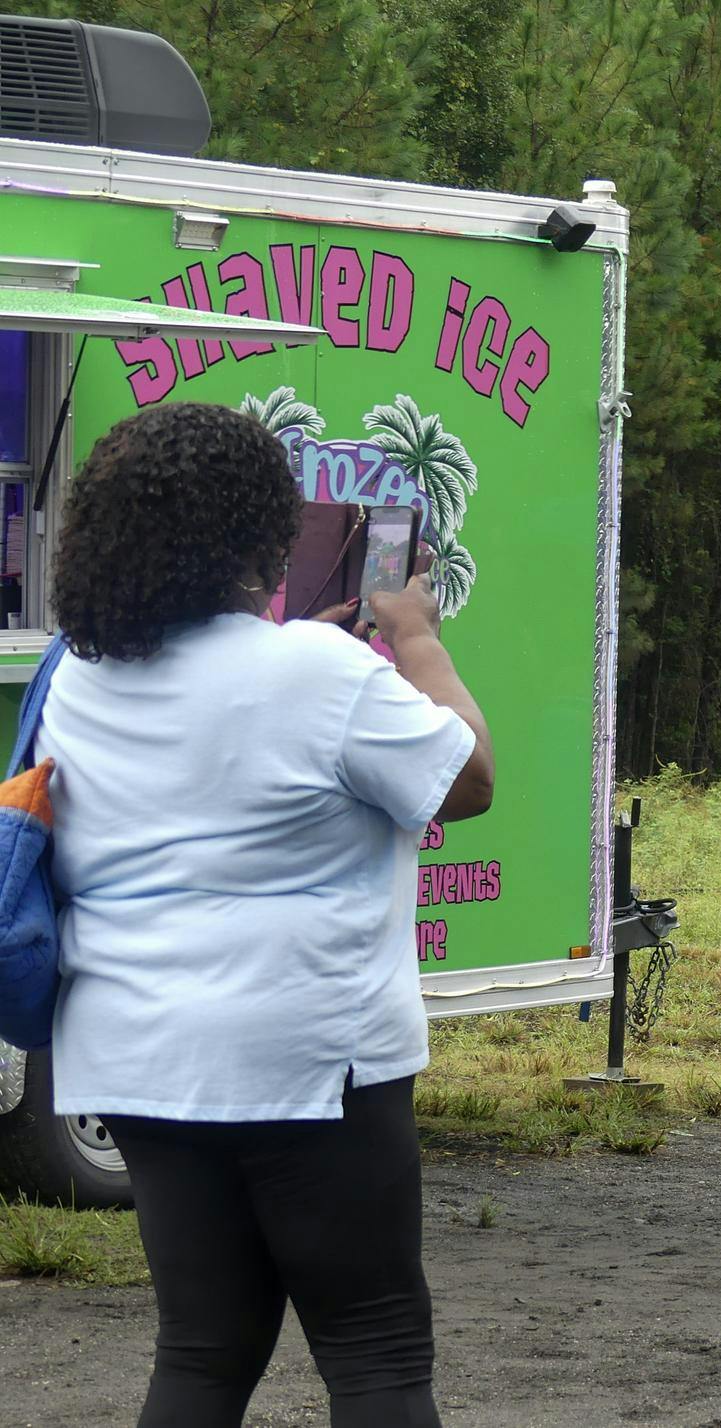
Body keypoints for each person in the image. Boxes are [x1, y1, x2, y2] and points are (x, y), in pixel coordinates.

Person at [40, 403, 493, 1427]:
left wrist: (314, 659)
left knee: (200, 1355)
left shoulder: (76, 672)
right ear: (254, 533)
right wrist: (413, 640)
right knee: (375, 1350)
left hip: (139, 1060)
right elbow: (465, 780)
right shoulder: (314, 671)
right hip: (309, 1060)